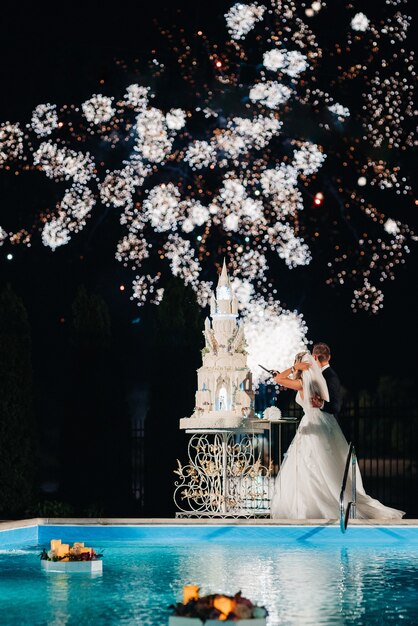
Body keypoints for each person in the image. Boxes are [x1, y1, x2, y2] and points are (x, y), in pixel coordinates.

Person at [270, 350, 404, 519]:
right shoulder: (315, 382)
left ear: (300, 364)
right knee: (323, 465)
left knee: (310, 464)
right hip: (322, 421)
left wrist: (293, 367)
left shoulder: (302, 382)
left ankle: (314, 508)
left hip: (311, 422)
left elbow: (279, 380)